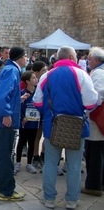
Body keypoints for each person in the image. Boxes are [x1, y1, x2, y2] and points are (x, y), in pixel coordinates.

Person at [33, 46, 97, 209]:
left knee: (50, 163)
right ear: (70, 56)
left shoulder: (47, 75)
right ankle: (72, 200)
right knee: (74, 164)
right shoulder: (82, 75)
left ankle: (49, 199)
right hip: (76, 126)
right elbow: (90, 103)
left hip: (52, 125)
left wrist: (49, 112)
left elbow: (38, 102)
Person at [0, 47, 28, 202]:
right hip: (6, 120)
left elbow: (5, 94)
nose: (26, 59)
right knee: (6, 154)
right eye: (25, 56)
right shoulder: (12, 71)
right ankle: (6, 190)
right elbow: (1, 96)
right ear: (19, 58)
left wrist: (17, 100)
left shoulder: (6, 69)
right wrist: (7, 113)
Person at [82, 47, 104, 196]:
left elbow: (96, 96)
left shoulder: (98, 73)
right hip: (97, 120)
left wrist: (86, 111)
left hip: (96, 120)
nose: (88, 61)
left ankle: (94, 185)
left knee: (94, 154)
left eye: (89, 59)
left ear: (96, 60)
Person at [14, 71, 39, 175]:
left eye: (35, 77)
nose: (36, 79)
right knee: (22, 141)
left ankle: (29, 163)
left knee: (32, 142)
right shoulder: (22, 93)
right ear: (27, 81)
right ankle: (18, 162)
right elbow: (18, 107)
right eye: (33, 78)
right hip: (25, 122)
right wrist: (22, 117)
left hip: (35, 122)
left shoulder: (38, 93)